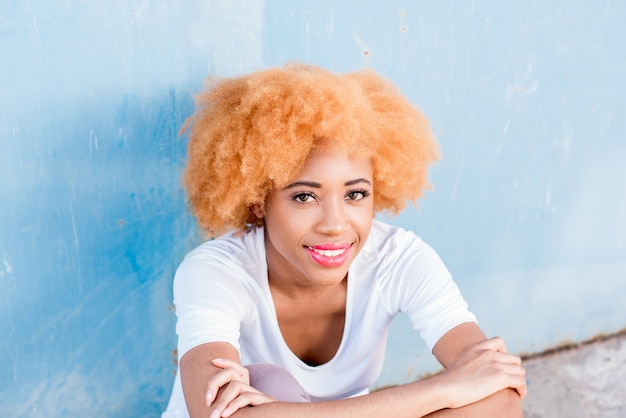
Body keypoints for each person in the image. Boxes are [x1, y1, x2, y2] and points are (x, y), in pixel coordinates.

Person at [162, 64, 526, 418]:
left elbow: (501, 398)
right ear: (259, 201)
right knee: (270, 380)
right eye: (304, 197)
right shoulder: (214, 271)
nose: (335, 225)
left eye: (355, 195)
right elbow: (216, 414)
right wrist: (443, 389)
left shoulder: (399, 259)